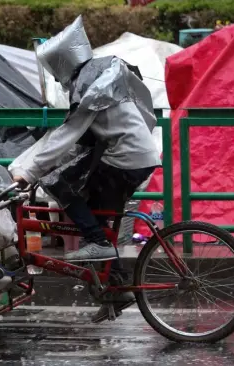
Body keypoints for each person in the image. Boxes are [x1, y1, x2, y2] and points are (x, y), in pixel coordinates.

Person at [12, 15, 161, 322]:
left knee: (57, 183)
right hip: (136, 156)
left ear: (65, 63)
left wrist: (27, 172)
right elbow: (83, 138)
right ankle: (115, 290)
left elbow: (68, 134)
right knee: (98, 218)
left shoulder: (91, 85)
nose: (56, 78)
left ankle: (97, 244)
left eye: (55, 70)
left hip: (125, 159)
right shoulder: (103, 73)